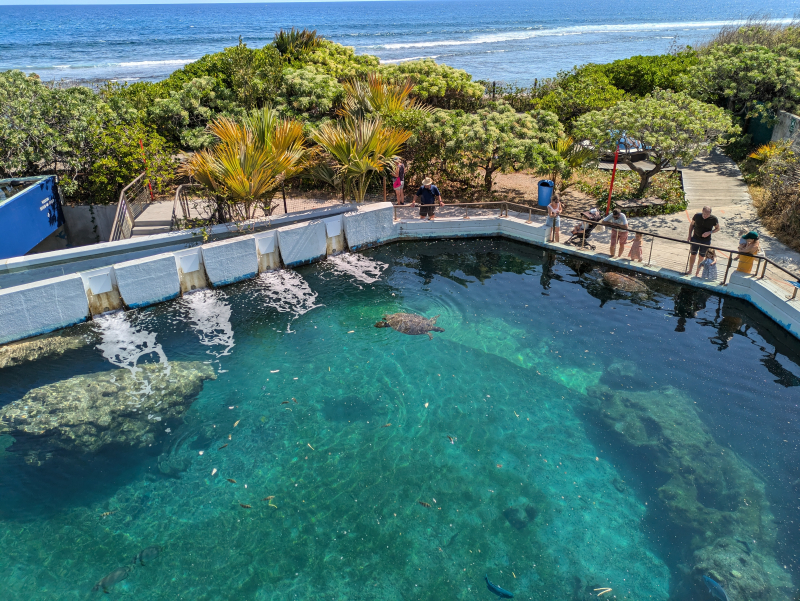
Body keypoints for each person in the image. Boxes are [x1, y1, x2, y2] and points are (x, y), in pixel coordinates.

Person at [686, 206, 720, 275]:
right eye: (704, 214)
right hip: (695, 238)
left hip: (705, 241)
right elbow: (692, 225)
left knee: (701, 256)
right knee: (693, 254)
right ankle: (690, 270)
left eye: (707, 215)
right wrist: (689, 235)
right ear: (702, 211)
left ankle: (697, 272)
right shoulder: (697, 216)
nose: (705, 216)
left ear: (710, 213)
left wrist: (709, 232)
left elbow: (718, 228)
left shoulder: (713, 219)